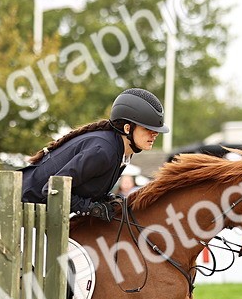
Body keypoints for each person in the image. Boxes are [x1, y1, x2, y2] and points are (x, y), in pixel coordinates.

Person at [21, 87, 168, 220]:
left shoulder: (121, 151)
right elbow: (54, 189)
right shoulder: (103, 151)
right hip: (22, 210)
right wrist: (90, 208)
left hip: (41, 214)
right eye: (147, 129)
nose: (155, 134)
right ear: (128, 128)